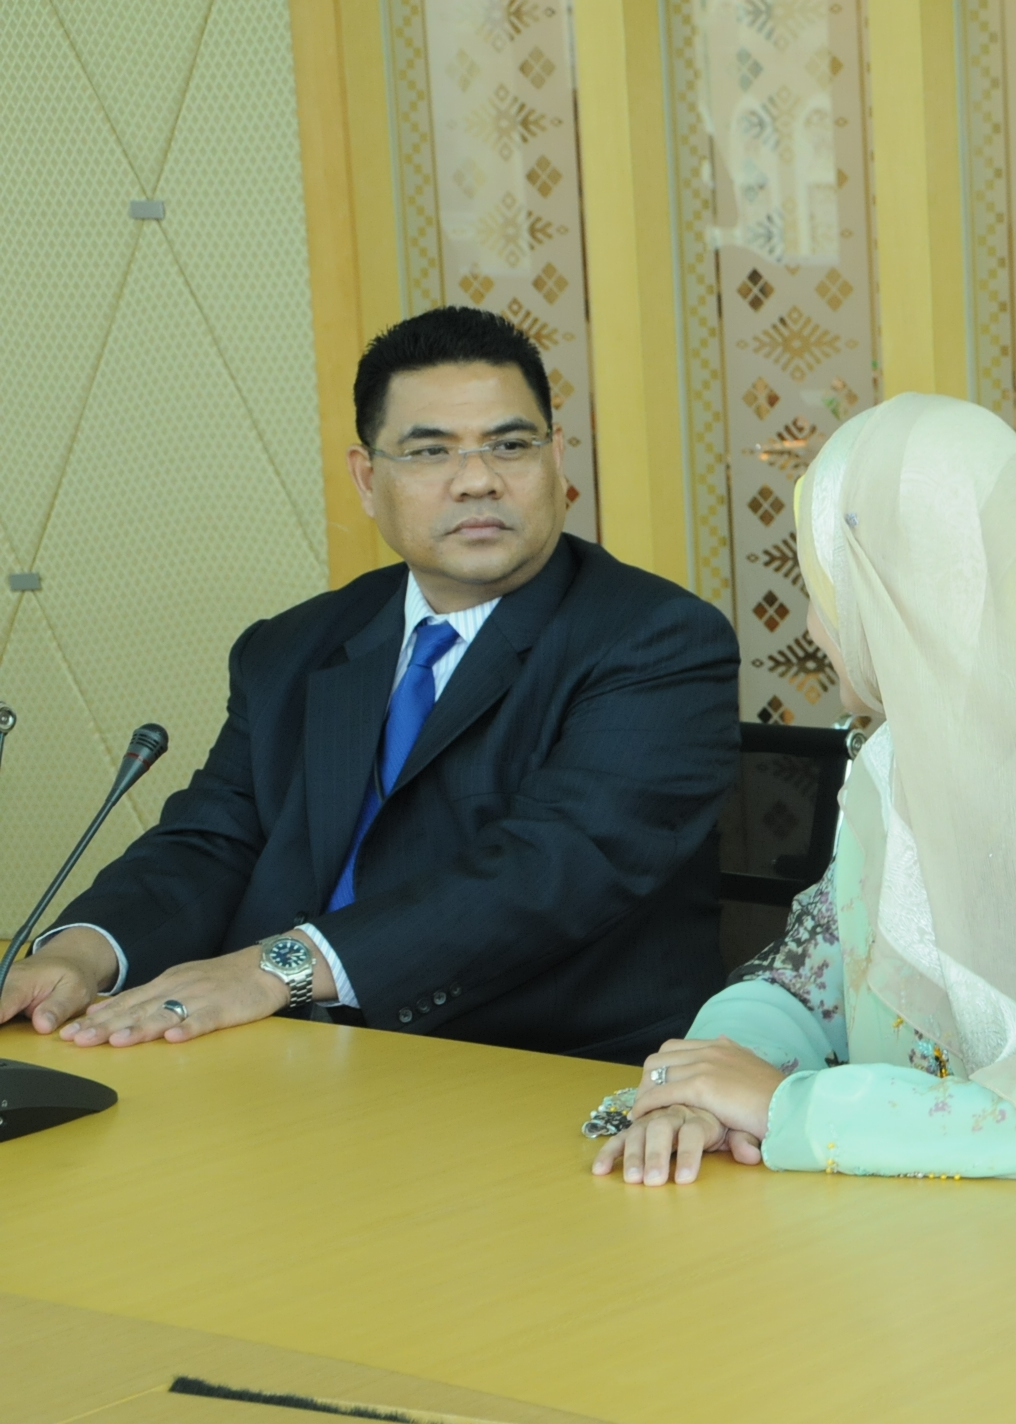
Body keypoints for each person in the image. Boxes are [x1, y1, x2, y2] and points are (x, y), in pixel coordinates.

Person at [584, 393, 1016, 1182]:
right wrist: (701, 1090)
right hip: (954, 1223)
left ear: (905, 589)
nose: (815, 628)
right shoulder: (902, 762)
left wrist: (792, 1108)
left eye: (829, 583)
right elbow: (803, 979)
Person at [0, 307, 741, 1062]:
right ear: (367, 478)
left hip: (531, 1069)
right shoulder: (292, 647)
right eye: (430, 452)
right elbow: (213, 839)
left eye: (510, 445)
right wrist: (77, 957)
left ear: (556, 459)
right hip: (288, 1057)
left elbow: (553, 870)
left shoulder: (657, 640)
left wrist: (271, 970)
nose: (478, 480)